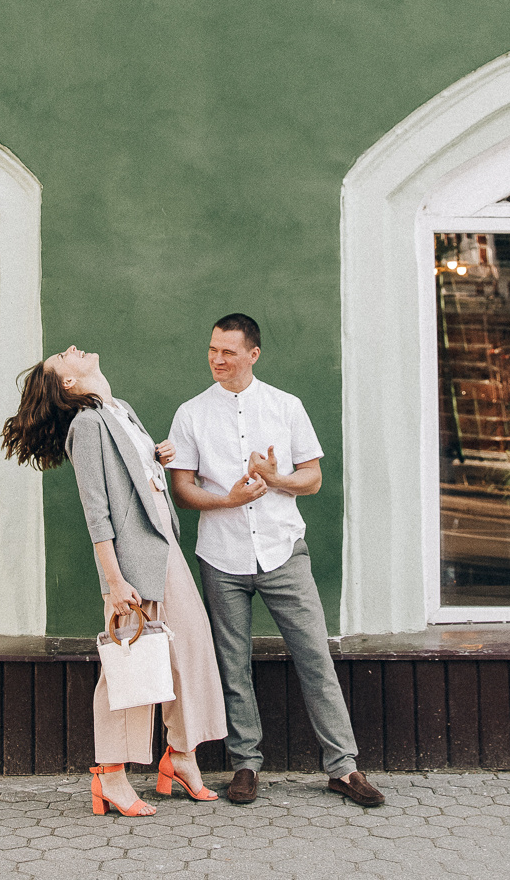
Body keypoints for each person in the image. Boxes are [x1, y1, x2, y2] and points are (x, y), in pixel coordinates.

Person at [166, 314, 386, 808]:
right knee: (233, 663)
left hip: (284, 551)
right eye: (212, 350)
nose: (217, 360)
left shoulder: (286, 406)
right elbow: (182, 490)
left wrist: (275, 478)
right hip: (221, 558)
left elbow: (313, 479)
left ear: (253, 354)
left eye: (228, 352)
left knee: (316, 658)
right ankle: (245, 764)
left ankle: (344, 769)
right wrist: (231, 499)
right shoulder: (191, 413)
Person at [0, 345, 226, 817]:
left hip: (162, 547)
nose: (72, 350)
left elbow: (136, 481)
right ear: (68, 383)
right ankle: (111, 776)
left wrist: (156, 456)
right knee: (131, 667)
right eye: (64, 357)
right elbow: (96, 509)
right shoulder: (85, 427)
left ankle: (180, 756)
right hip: (130, 563)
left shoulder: (119, 411)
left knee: (192, 648)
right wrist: (114, 580)